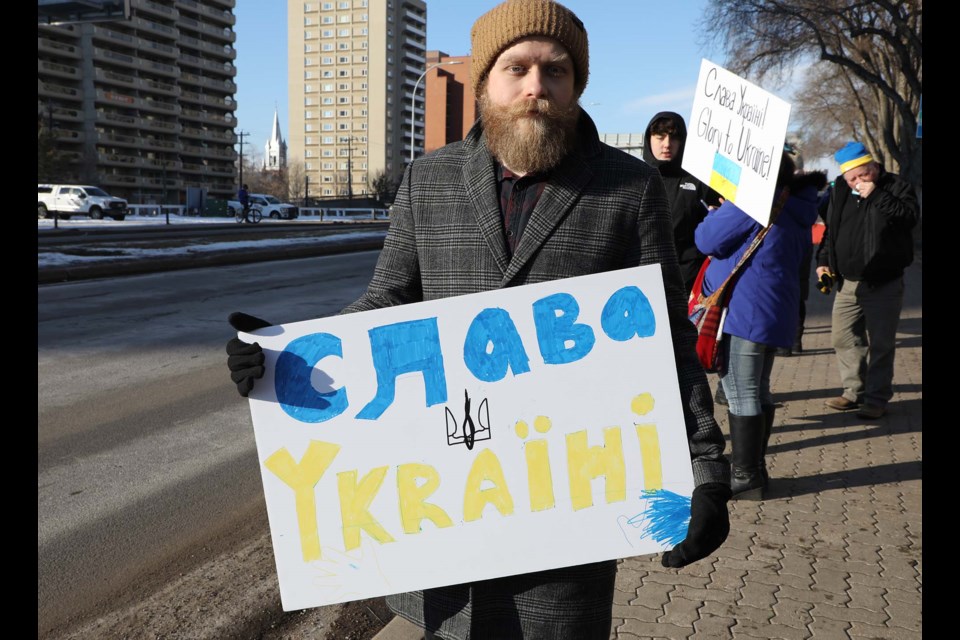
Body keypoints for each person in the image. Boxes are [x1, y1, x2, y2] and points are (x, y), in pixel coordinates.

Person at [227, 2, 730, 638]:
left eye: (557, 71)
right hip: (447, 519)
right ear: (485, 80)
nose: (535, 87)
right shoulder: (428, 179)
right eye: (515, 67)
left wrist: (707, 468)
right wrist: (290, 357)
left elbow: (667, 338)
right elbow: (389, 300)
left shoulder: (626, 189)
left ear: (576, 86)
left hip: (565, 512)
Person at [695, 153, 826, 500]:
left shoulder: (753, 201)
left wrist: (717, 212)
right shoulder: (797, 201)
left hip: (745, 311)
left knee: (741, 390)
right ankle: (756, 469)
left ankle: (745, 475)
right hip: (772, 310)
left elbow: (707, 240)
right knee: (759, 388)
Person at [816, 141, 919, 419]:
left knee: (882, 343)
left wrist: (876, 195)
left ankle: (876, 398)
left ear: (874, 166)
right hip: (847, 283)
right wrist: (823, 262)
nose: (860, 181)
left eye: (865, 174)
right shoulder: (839, 191)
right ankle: (854, 392)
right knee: (843, 337)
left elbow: (909, 217)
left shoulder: (896, 186)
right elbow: (831, 233)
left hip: (883, 281)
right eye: (853, 178)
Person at [642, 112, 721, 293]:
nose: (667, 144)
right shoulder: (634, 179)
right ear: (649, 139)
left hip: (689, 281)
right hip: (645, 281)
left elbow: (719, 228)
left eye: (674, 138)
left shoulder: (701, 180)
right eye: (660, 137)